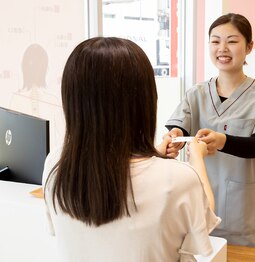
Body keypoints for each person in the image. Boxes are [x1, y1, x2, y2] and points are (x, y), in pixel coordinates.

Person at [42, 37, 220, 262]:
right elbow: (204, 220)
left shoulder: (56, 164)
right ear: (144, 101)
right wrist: (197, 158)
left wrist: (152, 155)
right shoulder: (178, 179)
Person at [165, 13, 255, 248]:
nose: (223, 48)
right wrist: (175, 135)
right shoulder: (196, 93)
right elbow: (178, 125)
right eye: (215, 41)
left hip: (242, 215)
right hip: (198, 207)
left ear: (249, 46)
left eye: (232, 41)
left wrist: (222, 140)